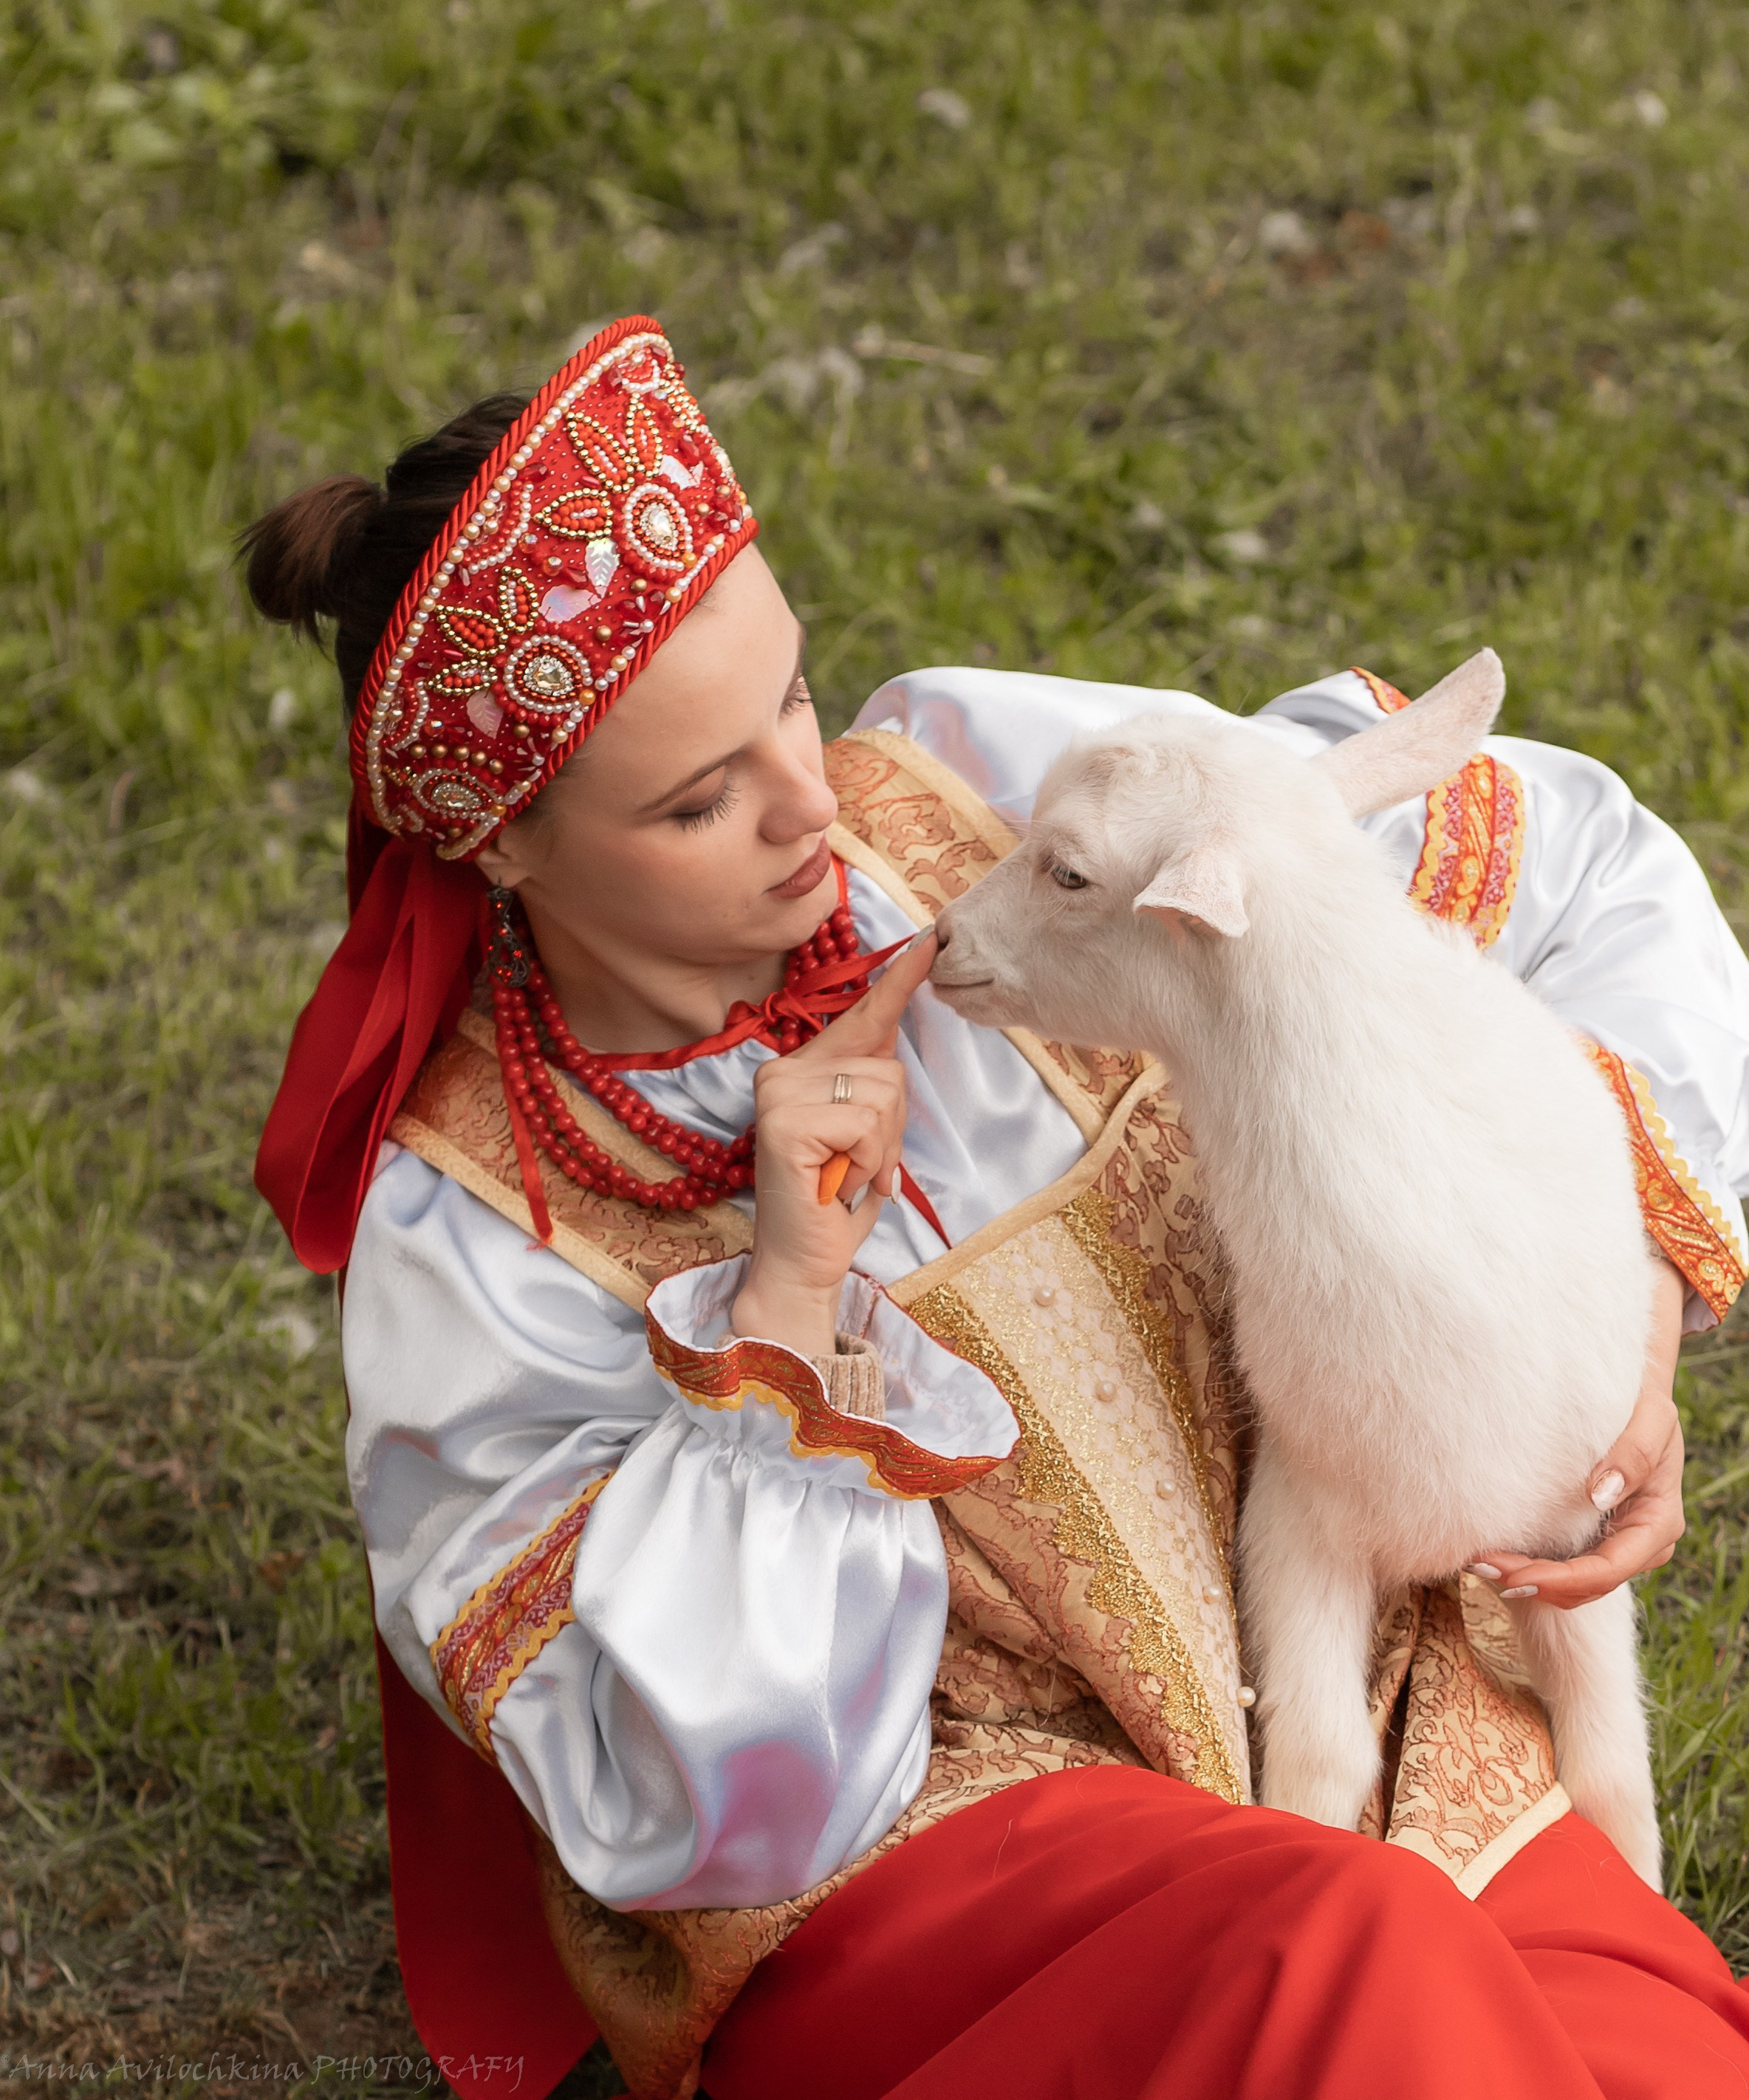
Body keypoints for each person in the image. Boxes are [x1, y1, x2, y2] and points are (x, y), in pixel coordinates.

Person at [244, 318, 1749, 2100]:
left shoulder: (974, 793)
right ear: (500, 842)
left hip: (1352, 1723)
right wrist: (789, 1300)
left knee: (1625, 2058)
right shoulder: (481, 1233)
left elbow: (1575, 865)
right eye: (699, 795)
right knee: (1355, 1964)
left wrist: (1627, 1306)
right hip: (953, 1880)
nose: (810, 801)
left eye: (789, 694)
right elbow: (700, 1806)